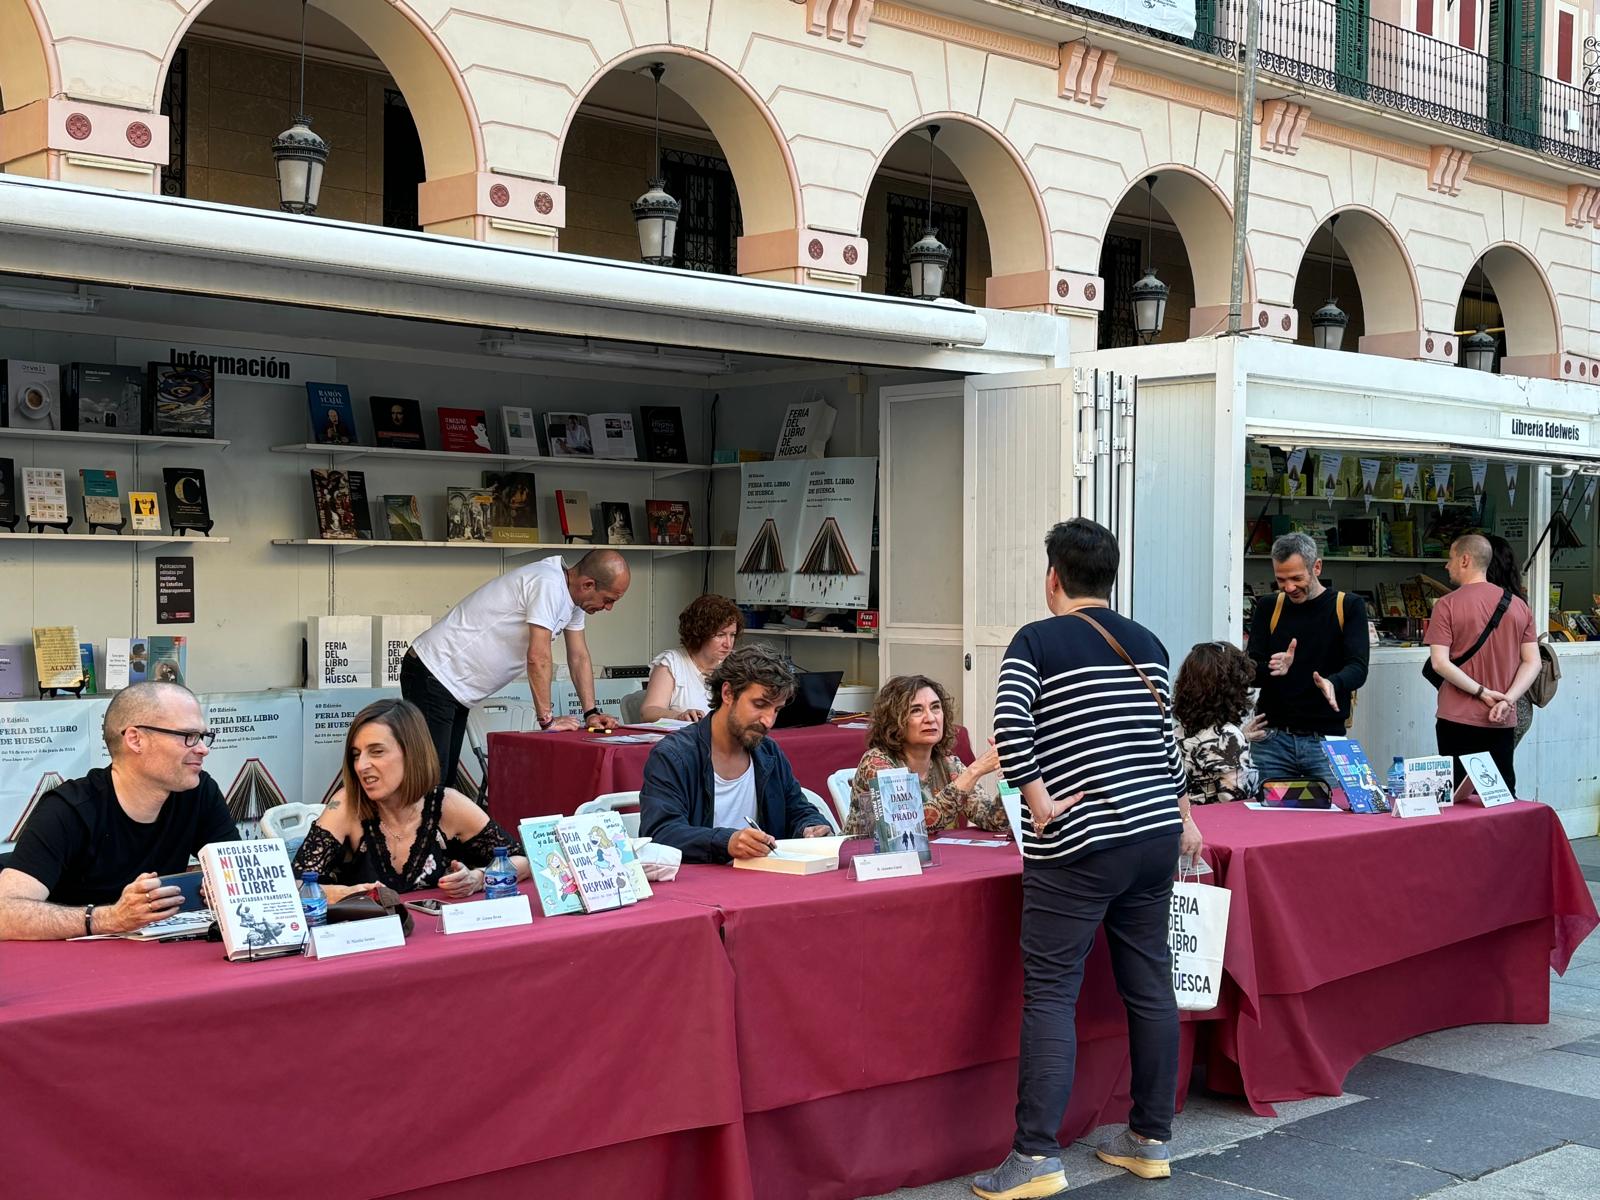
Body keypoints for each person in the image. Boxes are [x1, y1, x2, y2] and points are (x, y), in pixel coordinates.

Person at [973, 518, 1197, 1198]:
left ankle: (1036, 1157)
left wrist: (1037, 801)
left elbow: (1011, 724)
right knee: (1151, 986)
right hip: (1154, 834)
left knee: (1050, 994)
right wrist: (1183, 817)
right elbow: (1170, 744)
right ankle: (1150, 1139)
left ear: (1053, 579)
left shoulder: (1037, 640)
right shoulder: (1149, 643)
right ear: (1111, 577)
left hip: (1080, 841)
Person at [0, 682, 237, 941]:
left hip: (156, 958)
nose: (203, 748)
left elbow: (236, 872)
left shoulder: (199, 792)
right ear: (136, 739)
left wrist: (224, 888)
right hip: (73, 965)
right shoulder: (68, 810)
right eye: (188, 736)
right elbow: (5, 913)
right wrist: (111, 918)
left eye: (203, 736)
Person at [402, 549, 628, 788]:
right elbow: (538, 657)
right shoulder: (548, 584)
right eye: (609, 599)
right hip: (433, 672)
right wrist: (547, 722)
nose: (609, 608)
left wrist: (590, 712)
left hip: (453, 687)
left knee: (442, 785)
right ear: (588, 584)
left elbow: (579, 656)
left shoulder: (572, 600)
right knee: (429, 782)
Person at [293, 698, 529, 900]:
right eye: (356, 755)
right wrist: (345, 893)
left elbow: (521, 860)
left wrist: (477, 879)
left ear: (411, 753)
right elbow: (295, 886)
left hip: (436, 941)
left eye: (376, 751)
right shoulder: (347, 804)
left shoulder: (448, 804)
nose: (361, 765)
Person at [638, 643, 834, 863]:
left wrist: (811, 826)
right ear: (728, 693)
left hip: (765, 883)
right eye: (760, 704)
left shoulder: (769, 753)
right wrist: (727, 842)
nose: (768, 721)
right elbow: (660, 833)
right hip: (697, 888)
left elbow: (797, 808)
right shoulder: (674, 756)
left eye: (776, 709)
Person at [1246, 531, 1369, 788]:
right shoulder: (1269, 607)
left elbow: (1358, 668)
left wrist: (1333, 682)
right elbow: (1251, 671)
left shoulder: (1348, 606)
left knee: (1332, 821)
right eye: (1281, 579)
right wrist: (1273, 668)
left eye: (1296, 578)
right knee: (1267, 823)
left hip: (1325, 741)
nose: (1289, 587)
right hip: (1272, 741)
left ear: (1317, 567)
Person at [1426, 532, 1539, 791]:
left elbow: (1439, 663)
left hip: (1457, 717)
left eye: (1451, 558)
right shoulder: (1518, 606)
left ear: (1465, 560)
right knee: (1499, 794)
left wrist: (1482, 692)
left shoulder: (1446, 605)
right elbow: (1532, 662)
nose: (1447, 565)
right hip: (1502, 717)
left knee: (1457, 796)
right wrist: (1508, 698)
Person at [841, 674, 1008, 837]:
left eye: (935, 707)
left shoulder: (949, 764)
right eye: (916, 710)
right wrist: (975, 770)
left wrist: (1014, 775)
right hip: (866, 860)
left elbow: (993, 820)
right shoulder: (876, 762)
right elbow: (910, 826)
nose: (930, 718)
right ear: (893, 721)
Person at [1173, 641, 1267, 805]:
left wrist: (1240, 738)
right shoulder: (1228, 737)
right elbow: (1238, 801)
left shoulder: (1178, 731)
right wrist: (1236, 742)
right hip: (1214, 826)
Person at [641, 594, 743, 722]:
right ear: (700, 633)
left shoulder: (737, 663)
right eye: (720, 635)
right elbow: (649, 712)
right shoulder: (672, 663)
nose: (728, 643)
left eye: (732, 635)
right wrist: (678, 716)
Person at [1485, 533, 1536, 748]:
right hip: (1519, 704)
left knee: (1481, 776)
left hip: (1494, 706)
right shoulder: (1519, 605)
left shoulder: (1478, 605)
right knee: (1499, 773)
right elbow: (1531, 659)